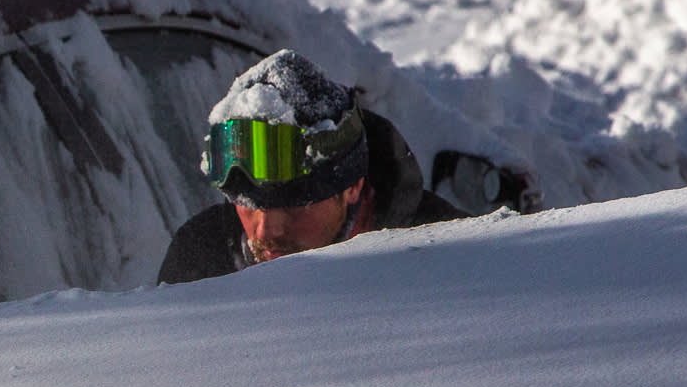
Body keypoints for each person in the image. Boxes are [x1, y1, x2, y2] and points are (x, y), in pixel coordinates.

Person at [157, 49, 464, 285]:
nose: (265, 230)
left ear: (353, 187)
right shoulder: (201, 257)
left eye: (292, 206)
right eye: (249, 205)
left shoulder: (449, 251)